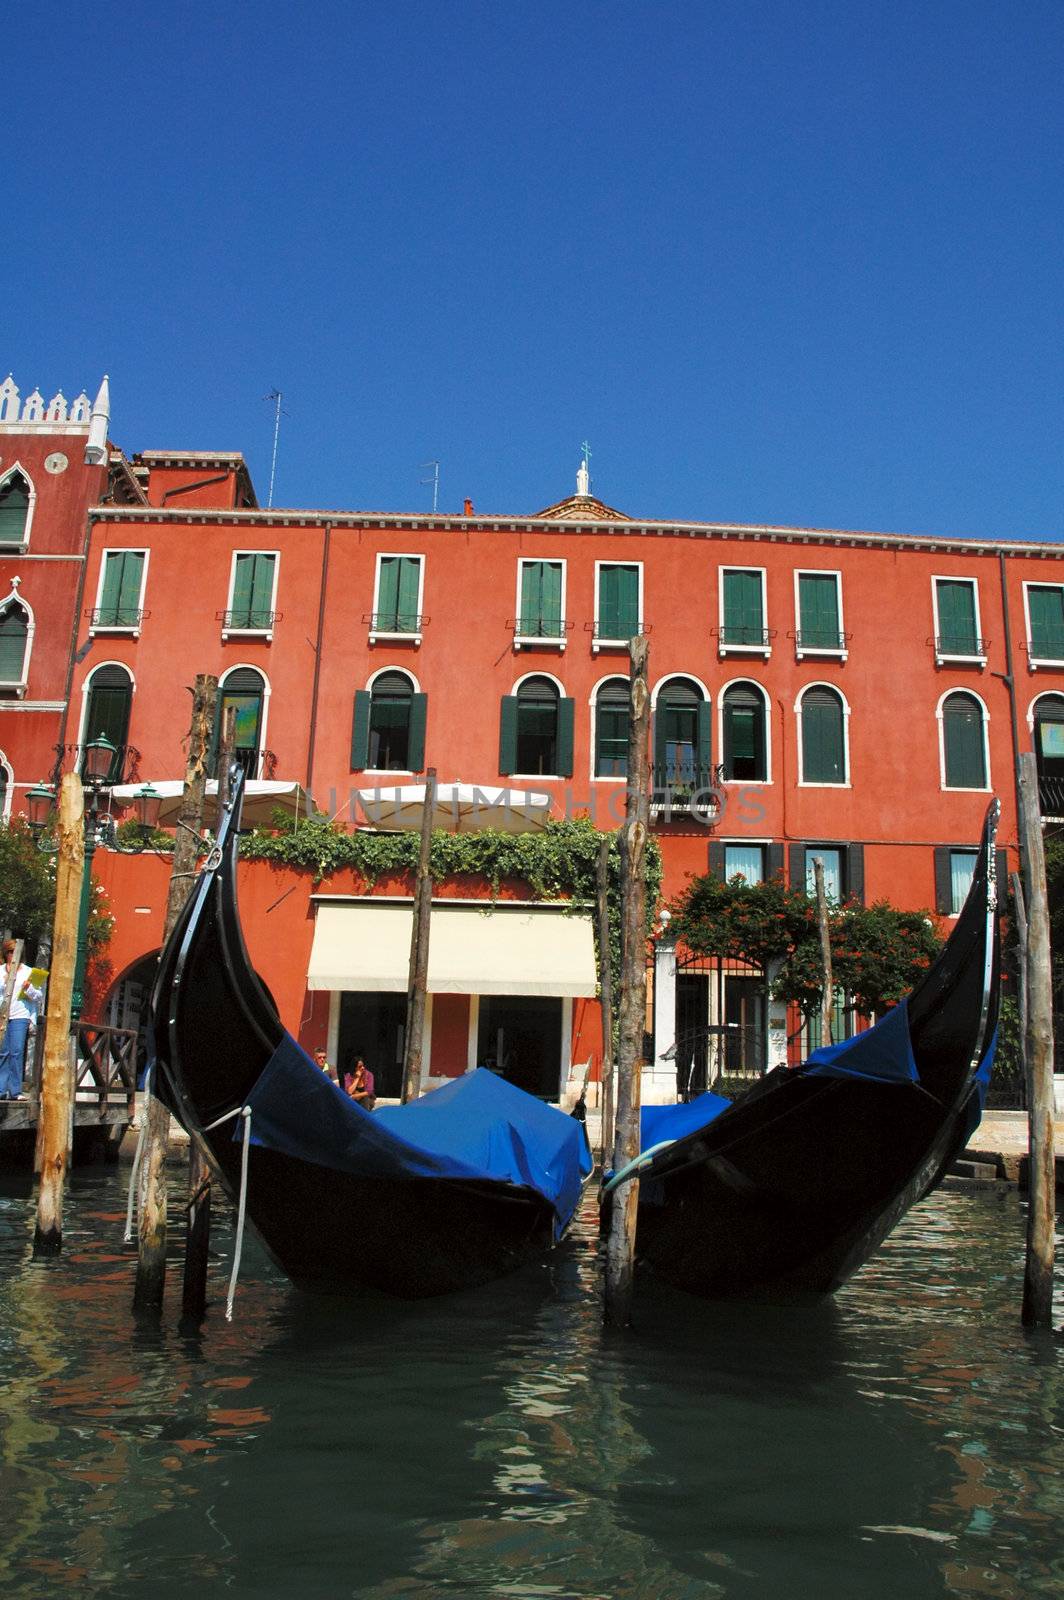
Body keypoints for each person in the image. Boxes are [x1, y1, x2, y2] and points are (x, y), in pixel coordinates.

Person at [0, 941, 43, 1099]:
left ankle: (15, 1091)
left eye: (15, 951)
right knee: (3, 1051)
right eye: (10, 951)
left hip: (20, 1014)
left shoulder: (28, 972)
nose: (12, 954)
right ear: (5, 953)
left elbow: (38, 996)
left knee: (16, 1051)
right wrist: (3, 983)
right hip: (2, 1014)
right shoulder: (0, 971)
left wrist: (28, 988)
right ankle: (1, 1089)